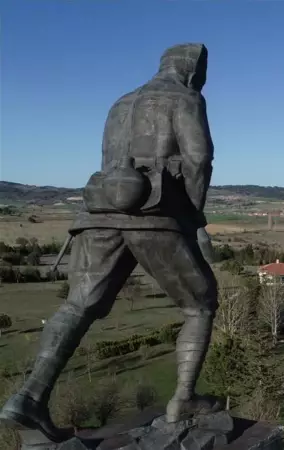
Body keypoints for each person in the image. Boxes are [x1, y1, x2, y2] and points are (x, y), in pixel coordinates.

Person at [0, 43, 222, 442]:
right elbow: (198, 158)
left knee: (78, 306)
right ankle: (184, 399)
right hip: (155, 218)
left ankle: (29, 396)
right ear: (193, 71)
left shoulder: (120, 103)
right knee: (201, 304)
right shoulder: (185, 98)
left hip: (98, 213)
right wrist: (192, 217)